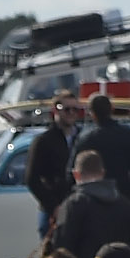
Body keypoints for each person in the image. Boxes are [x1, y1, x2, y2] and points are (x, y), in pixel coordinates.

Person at [46, 150, 130, 258]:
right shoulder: (124, 204)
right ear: (103, 172)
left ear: (76, 175)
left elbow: (62, 247)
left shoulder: (73, 205)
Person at [76, 93, 130, 197]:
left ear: (91, 113)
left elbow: (73, 171)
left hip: (94, 198)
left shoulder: (86, 140)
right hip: (124, 195)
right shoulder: (129, 134)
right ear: (112, 109)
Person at [24, 96, 78, 229]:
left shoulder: (82, 138)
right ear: (56, 111)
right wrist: (54, 206)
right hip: (52, 210)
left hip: (78, 207)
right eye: (67, 109)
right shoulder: (43, 141)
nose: (71, 113)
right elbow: (32, 179)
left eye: (75, 109)